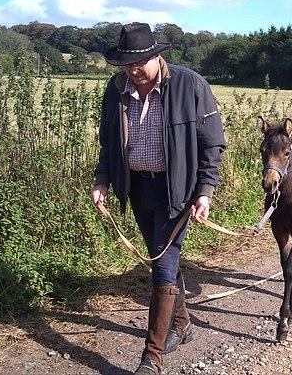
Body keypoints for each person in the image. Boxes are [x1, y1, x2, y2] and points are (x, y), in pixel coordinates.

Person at [91, 22, 226, 375]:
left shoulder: (189, 84)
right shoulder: (117, 88)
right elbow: (109, 140)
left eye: (139, 63)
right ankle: (182, 325)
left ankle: (151, 357)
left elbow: (212, 144)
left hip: (175, 191)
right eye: (126, 64)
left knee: (163, 268)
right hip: (137, 189)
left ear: (156, 55)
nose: (133, 71)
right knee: (160, 260)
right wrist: (103, 179)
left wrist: (205, 192)